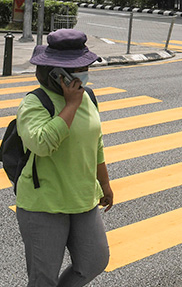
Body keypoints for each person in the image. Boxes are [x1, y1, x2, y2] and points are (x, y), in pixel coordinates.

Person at [16, 29, 114, 287]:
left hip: (83, 199)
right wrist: (70, 106)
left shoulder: (87, 96)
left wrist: (104, 184)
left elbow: (96, 143)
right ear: (56, 73)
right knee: (43, 278)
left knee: (95, 261)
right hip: (44, 204)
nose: (84, 72)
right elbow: (41, 144)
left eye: (85, 66)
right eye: (77, 68)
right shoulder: (35, 103)